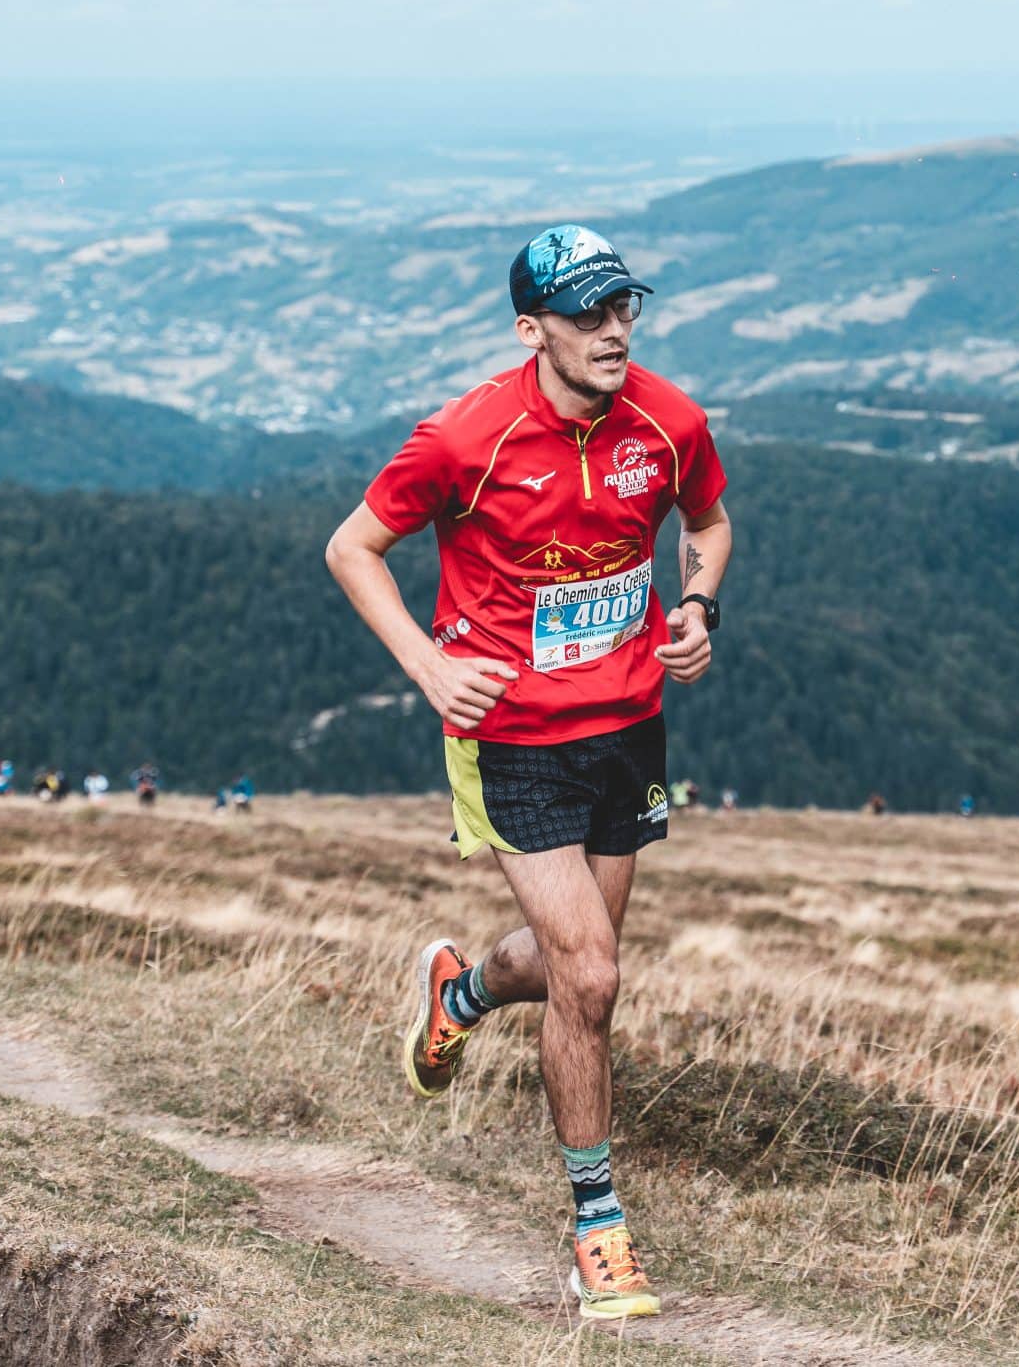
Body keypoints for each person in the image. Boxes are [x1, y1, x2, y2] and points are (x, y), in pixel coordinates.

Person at [326, 225, 731, 1323]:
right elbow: (351, 547)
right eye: (587, 314)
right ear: (531, 328)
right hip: (509, 732)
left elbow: (710, 522)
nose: (613, 331)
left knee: (570, 975)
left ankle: (458, 991)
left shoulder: (667, 418)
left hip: (628, 727)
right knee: (592, 978)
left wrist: (693, 608)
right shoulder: (466, 436)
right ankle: (599, 1229)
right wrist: (427, 665)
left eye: (624, 309)